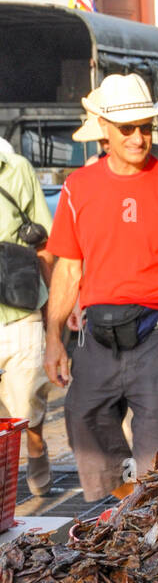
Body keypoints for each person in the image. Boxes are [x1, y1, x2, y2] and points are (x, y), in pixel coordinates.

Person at [43, 73, 158, 502]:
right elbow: (68, 269)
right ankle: (125, 514)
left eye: (145, 127)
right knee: (85, 426)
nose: (139, 138)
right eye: (127, 128)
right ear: (104, 128)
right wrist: (53, 339)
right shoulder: (78, 188)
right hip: (95, 337)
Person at [0, 143, 54, 495]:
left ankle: (35, 445)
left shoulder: (16, 168)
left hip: (19, 301)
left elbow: (45, 244)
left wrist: (57, 313)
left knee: (26, 398)